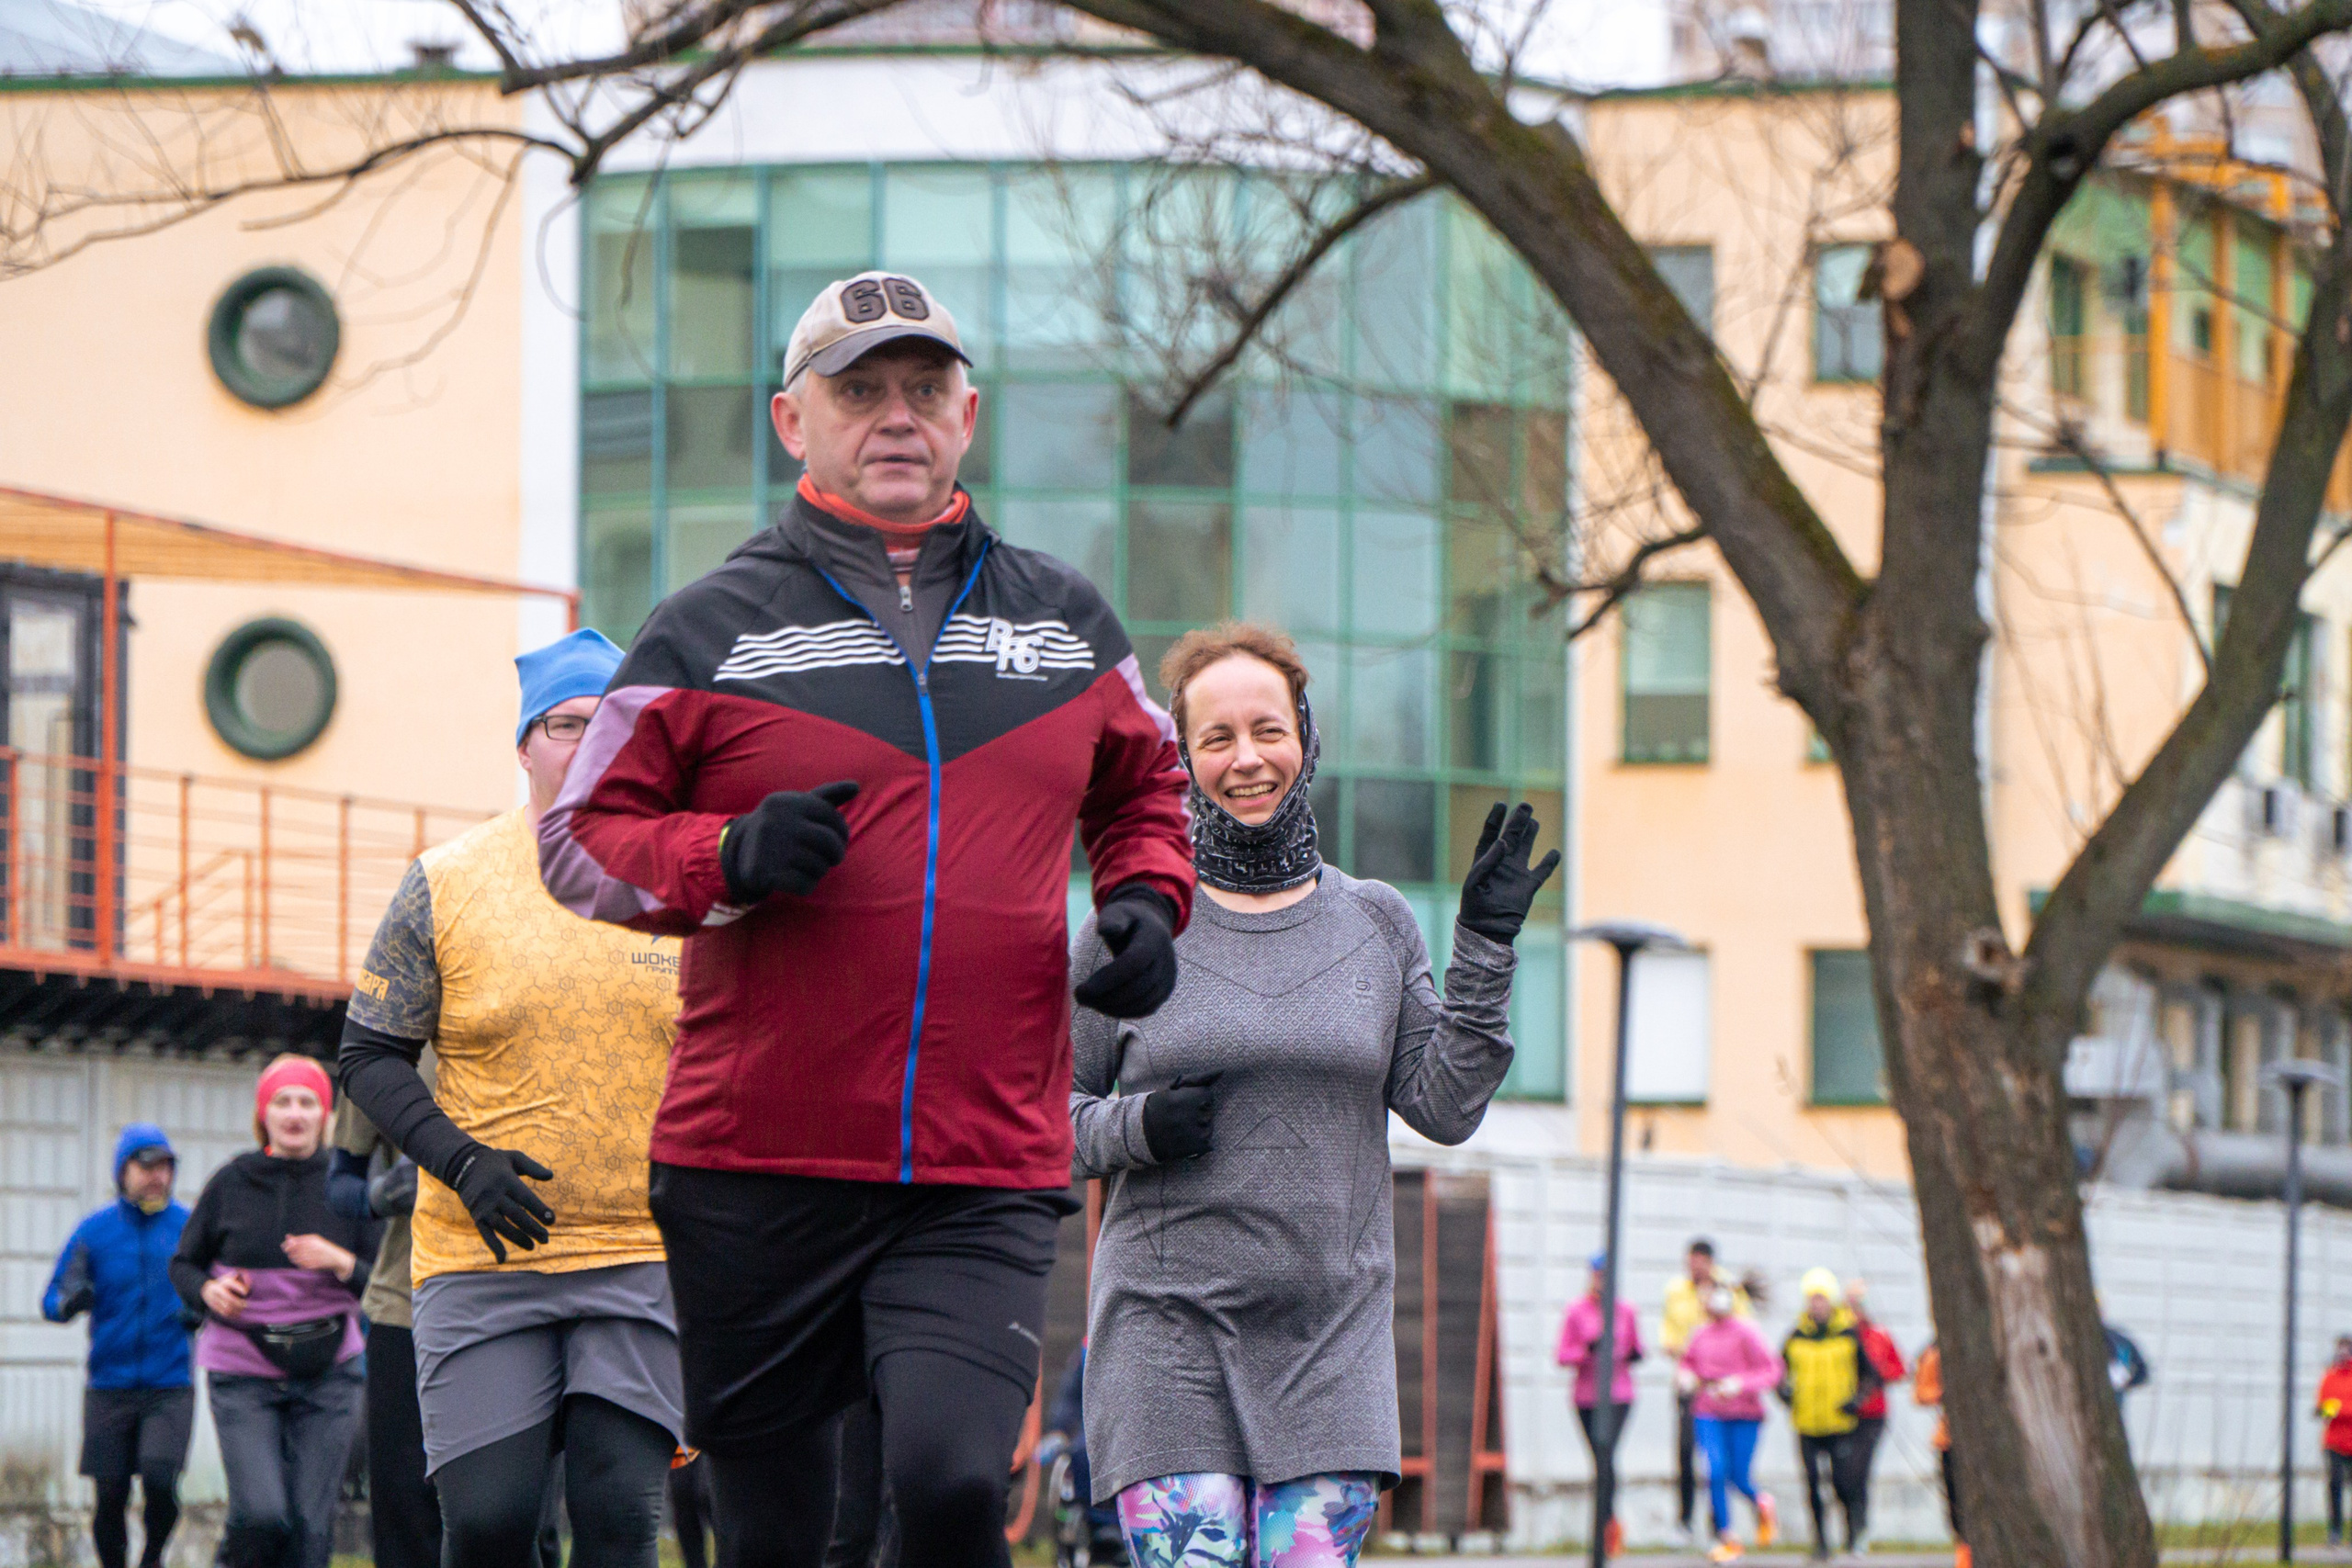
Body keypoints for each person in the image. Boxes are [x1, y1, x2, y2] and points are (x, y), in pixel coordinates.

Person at [537, 269, 1194, 1568]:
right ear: (795, 421)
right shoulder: (708, 627)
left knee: (949, 1485)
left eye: (922, 388)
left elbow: (1147, 787)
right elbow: (576, 839)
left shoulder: (1067, 625)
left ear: (968, 414)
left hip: (982, 1160)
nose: (895, 414)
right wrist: (726, 853)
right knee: (773, 1536)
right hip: (753, 1166)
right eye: (858, 390)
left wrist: (1144, 902)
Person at [1069, 622, 1553, 1566]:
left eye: (1267, 729)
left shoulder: (1372, 921)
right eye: (1216, 739)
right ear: (1182, 760)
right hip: (1167, 1345)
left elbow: (1444, 1109)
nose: (1246, 758)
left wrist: (1486, 948)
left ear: (1305, 737)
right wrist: (1137, 1126)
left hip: (1329, 1352)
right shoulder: (1132, 925)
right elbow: (1039, 1123)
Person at [339, 628, 688, 1568]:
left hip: (642, 1252)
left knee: (618, 1519)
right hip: (481, 1253)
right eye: (569, 723)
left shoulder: (682, 877)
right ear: (524, 743)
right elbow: (367, 1056)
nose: (593, 741)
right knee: (490, 1524)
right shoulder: (445, 883)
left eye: (615, 722)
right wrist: (461, 1162)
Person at [171, 1055, 375, 1568]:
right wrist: (209, 1292)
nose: (294, 1113)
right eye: (282, 1101)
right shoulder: (232, 1180)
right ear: (264, 1114)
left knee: (310, 1527)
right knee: (262, 1515)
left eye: (307, 1102)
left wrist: (341, 1261)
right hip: (244, 1371)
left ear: (325, 1115)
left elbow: (386, 1281)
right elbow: (183, 1265)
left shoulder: (348, 1187)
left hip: (331, 1373)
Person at [41, 1124, 194, 1568]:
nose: (156, 1176)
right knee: (110, 1493)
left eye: (164, 1166)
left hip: (170, 1383)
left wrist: (203, 1308)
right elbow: (51, 1298)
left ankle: (152, 1558)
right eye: (145, 1166)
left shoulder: (187, 1229)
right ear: (122, 1171)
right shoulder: (95, 1232)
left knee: (162, 1481)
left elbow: (218, 1285)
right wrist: (70, 1302)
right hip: (109, 1385)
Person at [327, 1083, 437, 1568]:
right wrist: (380, 1193)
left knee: (510, 1517)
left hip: (529, 1305)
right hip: (405, 1307)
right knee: (404, 1505)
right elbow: (342, 1185)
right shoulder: (385, 1043)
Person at [1677, 1284, 1781, 1564]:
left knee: (1738, 1477)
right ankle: (1727, 1537)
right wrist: (1686, 1376)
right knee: (1716, 1470)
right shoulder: (1700, 1334)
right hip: (1708, 1411)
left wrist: (1740, 1384)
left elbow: (1772, 1370)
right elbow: (1687, 1363)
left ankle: (1761, 1501)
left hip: (1744, 1413)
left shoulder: (1747, 1331)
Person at [1780, 1269, 1877, 1562]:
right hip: (1807, 1422)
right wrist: (1784, 1393)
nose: (1817, 1305)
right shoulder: (1796, 1336)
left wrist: (1856, 1401)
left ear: (1831, 1302)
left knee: (1842, 1482)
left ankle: (1853, 1530)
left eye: (1822, 1299)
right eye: (1812, 1299)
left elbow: (1871, 1374)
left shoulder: (1848, 1333)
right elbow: (1777, 1372)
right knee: (1812, 1483)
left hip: (1839, 1422)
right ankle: (1820, 1540)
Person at [1661, 1238, 1748, 1545]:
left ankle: (1719, 1526)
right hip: (1690, 1383)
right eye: (1690, 1260)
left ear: (1709, 1262)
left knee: (1717, 1460)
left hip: (1719, 1388)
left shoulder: (1729, 1289)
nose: (1693, 1266)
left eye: (1699, 1260)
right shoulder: (1676, 1291)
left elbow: (1742, 1332)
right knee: (1686, 1452)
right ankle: (1684, 1521)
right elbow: (1670, 1338)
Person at [1559, 1252, 1645, 1560]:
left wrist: (1630, 1353)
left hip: (1619, 1394)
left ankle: (1607, 1527)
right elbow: (1563, 1355)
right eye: (1598, 1274)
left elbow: (1637, 1348)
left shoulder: (1626, 1310)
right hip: (1587, 1396)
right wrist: (1587, 1350)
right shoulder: (1576, 1311)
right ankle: (1608, 1524)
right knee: (1600, 1458)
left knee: (1606, 1455)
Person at [1842, 1277, 1905, 1552]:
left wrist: (1877, 1379)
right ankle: (1850, 1529)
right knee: (1842, 1474)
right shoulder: (1842, 1336)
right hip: (1844, 1414)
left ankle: (1860, 1529)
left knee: (1859, 1471)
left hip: (1873, 1414)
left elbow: (1898, 1369)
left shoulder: (1880, 1335)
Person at [1912, 1342, 1964, 1567]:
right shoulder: (1937, 1351)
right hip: (1950, 1440)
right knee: (1958, 1510)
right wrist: (1944, 1394)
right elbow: (1922, 1392)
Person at [2318, 1335, 2352, 1547]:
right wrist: (2341, 1409)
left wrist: (2339, 1409)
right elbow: (2323, 1408)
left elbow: (2336, 1408)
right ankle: (2335, 1531)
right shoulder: (2329, 1377)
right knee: (2335, 1486)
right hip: (2334, 1443)